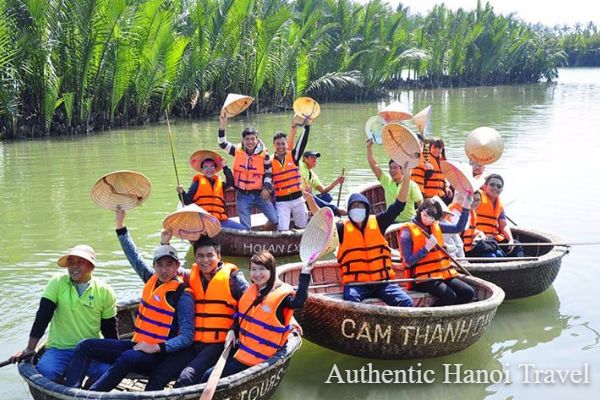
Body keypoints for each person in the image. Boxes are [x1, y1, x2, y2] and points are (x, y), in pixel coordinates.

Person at [114, 209, 250, 387]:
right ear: (195, 258)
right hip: (192, 344)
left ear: (219, 256)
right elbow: (163, 269)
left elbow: (254, 299)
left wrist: (235, 327)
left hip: (218, 345)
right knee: (158, 376)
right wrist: (163, 242)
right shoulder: (190, 276)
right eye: (200, 256)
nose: (205, 260)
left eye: (210, 255)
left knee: (186, 378)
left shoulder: (233, 279)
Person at [63, 244, 194, 391]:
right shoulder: (152, 282)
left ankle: (93, 394)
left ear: (177, 265)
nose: (164, 270)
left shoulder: (183, 295)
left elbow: (187, 337)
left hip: (160, 355)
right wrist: (120, 228)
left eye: (169, 265)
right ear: (154, 266)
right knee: (85, 345)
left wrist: (156, 347)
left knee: (128, 357)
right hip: (139, 345)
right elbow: (134, 257)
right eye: (160, 265)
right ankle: (71, 392)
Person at [305, 162, 414, 307]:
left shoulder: (379, 222)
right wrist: (309, 200)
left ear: (367, 209)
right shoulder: (342, 228)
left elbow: (399, 205)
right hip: (357, 284)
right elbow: (323, 222)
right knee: (351, 301)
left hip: (383, 282)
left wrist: (406, 178)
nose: (358, 210)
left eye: (361, 206)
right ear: (349, 211)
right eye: (354, 207)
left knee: (406, 302)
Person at [9, 245, 117, 384]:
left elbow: (109, 329)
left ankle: (87, 391)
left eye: (80, 262)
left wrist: (116, 356)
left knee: (106, 373)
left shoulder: (105, 291)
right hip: (59, 349)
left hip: (90, 350)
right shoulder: (57, 283)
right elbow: (43, 316)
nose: (74, 267)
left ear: (91, 266)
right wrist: (30, 348)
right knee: (46, 372)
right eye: (71, 262)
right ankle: (63, 388)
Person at [201, 251, 312, 381]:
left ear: (271, 270)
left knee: (208, 376)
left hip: (259, 357)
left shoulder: (282, 296)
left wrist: (306, 272)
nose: (257, 274)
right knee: (205, 371)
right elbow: (243, 315)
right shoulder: (252, 291)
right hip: (242, 348)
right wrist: (232, 330)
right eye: (253, 269)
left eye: (262, 269)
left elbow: (298, 302)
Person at [398, 196, 475, 306]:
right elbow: (408, 262)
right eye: (428, 213)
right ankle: (433, 319)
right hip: (422, 279)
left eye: (434, 216)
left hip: (442, 274)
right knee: (449, 296)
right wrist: (426, 249)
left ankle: (450, 316)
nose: (430, 218)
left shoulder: (435, 225)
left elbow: (458, 228)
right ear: (421, 210)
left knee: (468, 292)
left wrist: (466, 207)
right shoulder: (407, 231)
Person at [218, 112, 278, 230]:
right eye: (247, 139)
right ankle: (250, 240)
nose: (250, 142)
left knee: (275, 219)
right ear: (243, 140)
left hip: (260, 194)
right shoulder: (236, 150)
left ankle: (263, 231)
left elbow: (268, 172)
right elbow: (222, 143)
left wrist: (266, 188)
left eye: (252, 139)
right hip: (242, 195)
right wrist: (222, 124)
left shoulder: (264, 154)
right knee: (245, 227)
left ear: (257, 139)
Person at [177, 153, 245, 230]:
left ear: (215, 169)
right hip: (202, 220)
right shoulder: (197, 183)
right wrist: (181, 192)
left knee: (244, 230)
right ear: (202, 170)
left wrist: (225, 167)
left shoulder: (220, 184)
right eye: (206, 167)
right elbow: (187, 201)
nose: (209, 169)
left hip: (219, 220)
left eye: (212, 166)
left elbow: (231, 182)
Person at [366, 138, 422, 222]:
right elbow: (373, 165)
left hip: (408, 221)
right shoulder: (387, 181)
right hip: (391, 221)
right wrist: (368, 148)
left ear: (402, 170)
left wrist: (419, 221)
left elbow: (420, 204)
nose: (392, 171)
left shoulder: (411, 185)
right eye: (390, 168)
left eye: (395, 168)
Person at [271, 116, 311, 230]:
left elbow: (301, 143)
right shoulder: (269, 161)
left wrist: (307, 126)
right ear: (274, 145)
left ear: (286, 145)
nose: (281, 147)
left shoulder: (293, 156)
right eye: (278, 144)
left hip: (298, 199)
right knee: (283, 229)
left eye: (283, 144)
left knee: (303, 226)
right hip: (282, 202)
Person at [476, 174, 524, 257]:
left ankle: (520, 266)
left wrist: (510, 240)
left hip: (494, 237)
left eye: (498, 186)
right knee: (492, 255)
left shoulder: (500, 205)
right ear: (485, 186)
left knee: (516, 246)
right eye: (492, 185)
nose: (495, 188)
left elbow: (503, 225)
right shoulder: (477, 199)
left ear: (501, 190)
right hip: (479, 237)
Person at [300, 150, 346, 216]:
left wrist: (337, 181)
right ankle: (335, 210)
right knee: (312, 197)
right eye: (312, 157)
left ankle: (313, 209)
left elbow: (323, 190)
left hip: (308, 196)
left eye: (316, 158)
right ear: (305, 159)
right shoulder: (300, 165)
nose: (315, 160)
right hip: (301, 196)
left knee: (328, 196)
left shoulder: (312, 174)